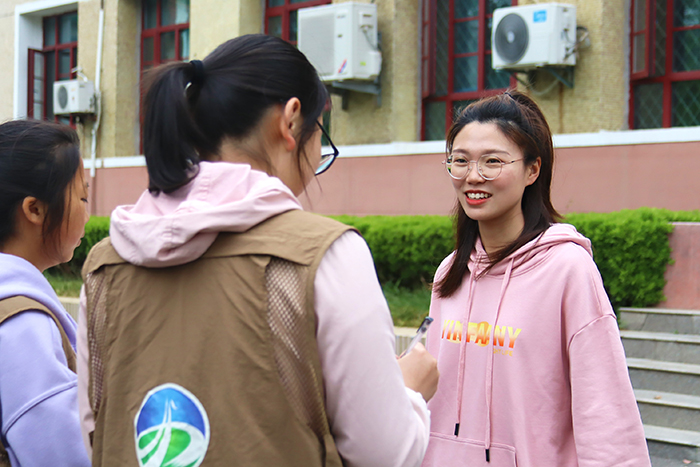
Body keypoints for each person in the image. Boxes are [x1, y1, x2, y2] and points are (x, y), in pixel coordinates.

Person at [77, 34, 438, 467]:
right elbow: (385, 454)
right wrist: (411, 393)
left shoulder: (105, 266)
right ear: (291, 120)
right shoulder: (325, 255)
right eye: (320, 133)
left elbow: (96, 435)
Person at [421, 91, 651, 467]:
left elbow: (604, 408)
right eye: (460, 161)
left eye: (493, 161)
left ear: (532, 170)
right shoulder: (451, 272)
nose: (473, 176)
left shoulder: (567, 269)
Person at [0, 119, 91, 466]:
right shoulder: (23, 325)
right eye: (82, 196)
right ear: (35, 209)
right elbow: (62, 455)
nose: (87, 212)